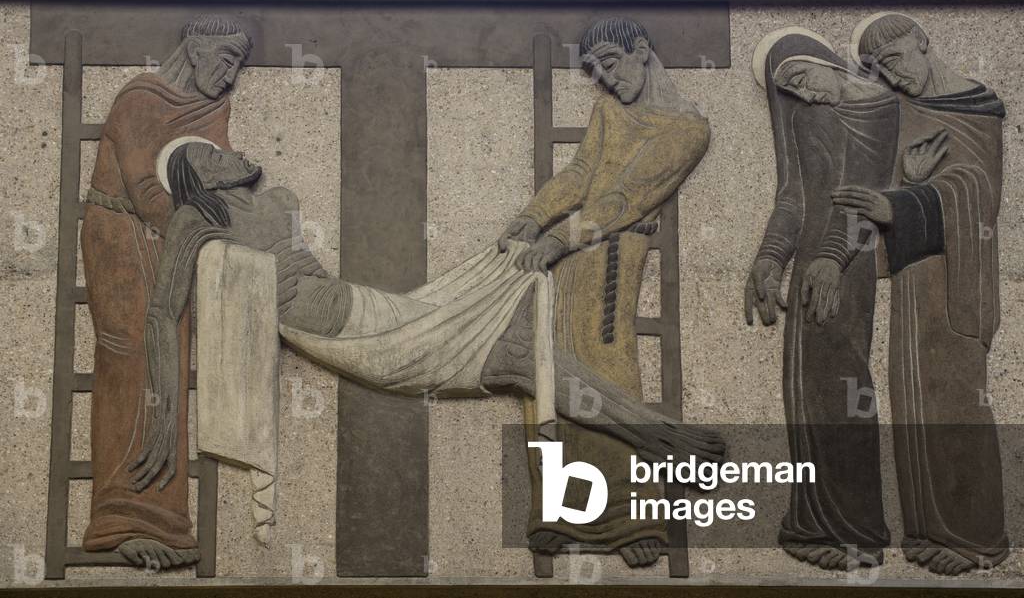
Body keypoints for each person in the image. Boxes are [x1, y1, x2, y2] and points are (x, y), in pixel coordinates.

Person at [131, 141, 726, 526]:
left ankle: (664, 444)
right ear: (194, 182)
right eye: (205, 161)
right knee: (521, 352)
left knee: (523, 355)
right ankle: (666, 443)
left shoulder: (276, 198)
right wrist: (163, 415)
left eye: (218, 151)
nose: (225, 157)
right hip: (344, 333)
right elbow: (161, 312)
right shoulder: (196, 218)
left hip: (365, 310)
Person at [496, 16, 710, 566]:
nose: (605, 80)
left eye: (611, 64)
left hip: (611, 253)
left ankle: (630, 520)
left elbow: (627, 198)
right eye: (594, 71)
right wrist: (531, 217)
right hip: (560, 257)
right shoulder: (607, 111)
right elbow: (580, 172)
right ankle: (557, 510)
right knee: (544, 375)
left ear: (642, 51)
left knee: (607, 379)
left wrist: (563, 235)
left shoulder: (686, 129)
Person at [836, 12, 1009, 576]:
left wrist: (902, 203)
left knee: (957, 398)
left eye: (894, 61)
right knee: (911, 395)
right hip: (914, 279)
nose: (891, 77)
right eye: (877, 70)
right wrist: (903, 192)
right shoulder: (902, 112)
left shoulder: (977, 108)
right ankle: (932, 529)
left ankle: (979, 538)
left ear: (923, 42)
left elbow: (978, 196)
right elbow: (894, 184)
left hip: (960, 278)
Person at [80, 14, 251, 570]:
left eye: (238, 67)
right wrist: (197, 220)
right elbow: (146, 185)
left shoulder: (210, 109)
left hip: (172, 243)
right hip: (119, 235)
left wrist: (240, 193)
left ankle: (164, 520)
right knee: (126, 360)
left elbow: (211, 173)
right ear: (196, 50)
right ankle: (115, 518)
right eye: (225, 61)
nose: (229, 78)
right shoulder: (138, 100)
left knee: (166, 366)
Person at [746, 27, 900, 571]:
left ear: (823, 60)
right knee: (806, 394)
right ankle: (812, 523)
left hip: (848, 263)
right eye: (789, 88)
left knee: (847, 386)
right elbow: (792, 196)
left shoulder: (883, 108)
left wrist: (833, 258)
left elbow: (870, 198)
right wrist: (769, 259)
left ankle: (860, 529)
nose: (804, 94)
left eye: (802, 78)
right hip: (810, 258)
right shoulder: (805, 115)